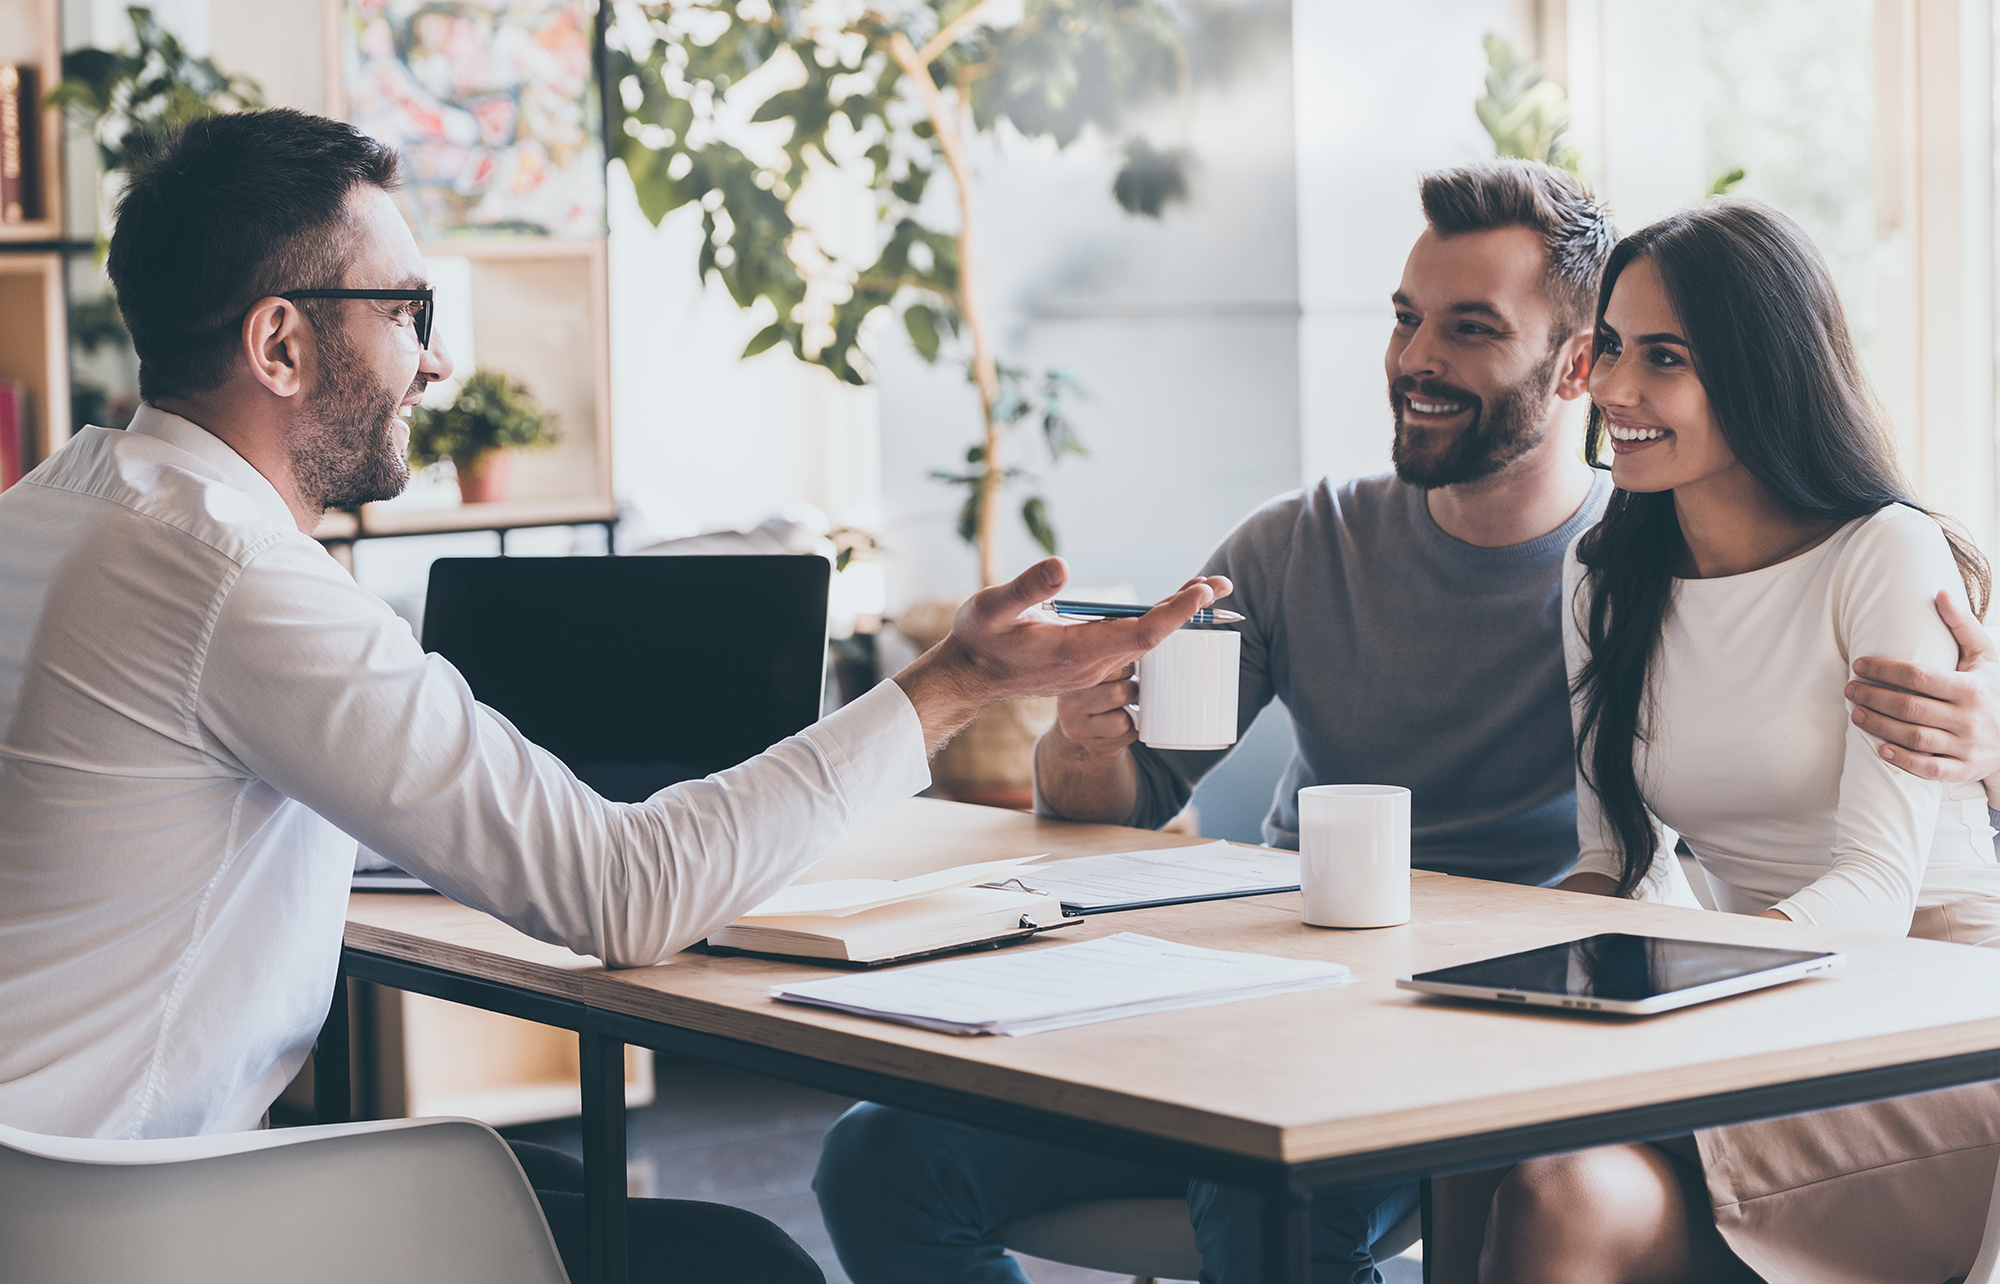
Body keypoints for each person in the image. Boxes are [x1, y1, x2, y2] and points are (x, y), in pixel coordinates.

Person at [0, 109, 1221, 1284]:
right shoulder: (239, 581)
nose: (435, 358)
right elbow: (625, 893)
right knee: (736, 1263)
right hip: (116, 1225)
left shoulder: (52, 513)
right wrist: (953, 683)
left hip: (41, 1182)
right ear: (279, 344)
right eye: (405, 309)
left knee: (557, 1190)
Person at [814, 163, 2000, 1282]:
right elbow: (1125, 797)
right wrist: (1079, 740)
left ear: (1567, 369)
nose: (1416, 359)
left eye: (1470, 328)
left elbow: (1861, 882)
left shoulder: (1823, 554)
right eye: (1403, 318)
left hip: (1811, 1010)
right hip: (1349, 1000)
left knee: (1314, 1181)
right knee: (880, 1154)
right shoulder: (1544, 568)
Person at [1437, 201, 2000, 1284]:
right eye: (1607, 347)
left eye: (1664, 358)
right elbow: (1619, 861)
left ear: (1760, 372)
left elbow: (1876, 894)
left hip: (1930, 1010)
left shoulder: (1882, 553)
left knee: (1549, 1181)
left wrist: (1667, 1000)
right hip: (1741, 999)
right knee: (1465, 1133)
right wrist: (1496, 964)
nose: (1611, 389)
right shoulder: (1604, 571)